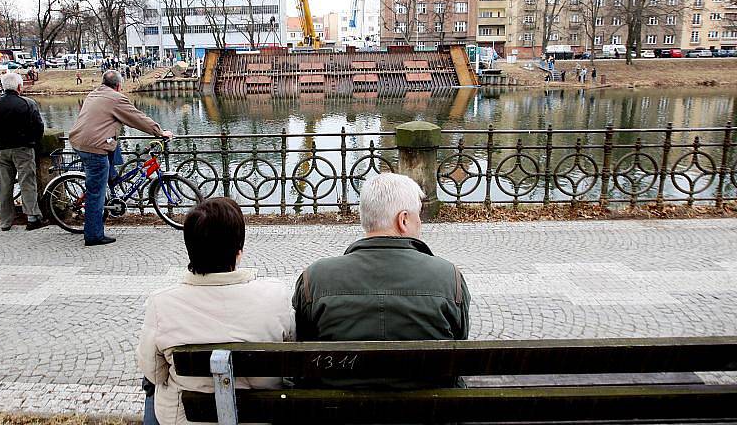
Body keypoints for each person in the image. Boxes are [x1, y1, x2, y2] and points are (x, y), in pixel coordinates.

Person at [292, 173, 469, 388]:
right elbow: (459, 346)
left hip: (336, 416)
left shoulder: (315, 278)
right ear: (403, 220)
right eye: (418, 216)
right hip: (429, 415)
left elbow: (303, 348)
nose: (420, 223)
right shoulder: (449, 278)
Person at [138, 198, 294, 425]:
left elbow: (155, 374)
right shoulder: (276, 296)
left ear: (189, 248)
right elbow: (289, 356)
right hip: (262, 416)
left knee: (151, 380)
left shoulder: (161, 303)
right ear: (239, 250)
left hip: (186, 419)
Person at [69, 70, 172, 246]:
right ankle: (93, 235)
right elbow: (136, 118)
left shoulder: (94, 93)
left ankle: (112, 178)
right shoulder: (115, 98)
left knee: (107, 166)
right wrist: (159, 132)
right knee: (96, 193)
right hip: (95, 148)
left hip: (79, 142)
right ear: (118, 85)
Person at [0, 72, 46, 231]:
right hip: (23, 148)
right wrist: (32, 141)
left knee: (4, 185)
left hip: (2, 149)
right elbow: (39, 127)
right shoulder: (28, 103)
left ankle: (5, 221)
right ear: (19, 87)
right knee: (27, 182)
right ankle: (32, 217)